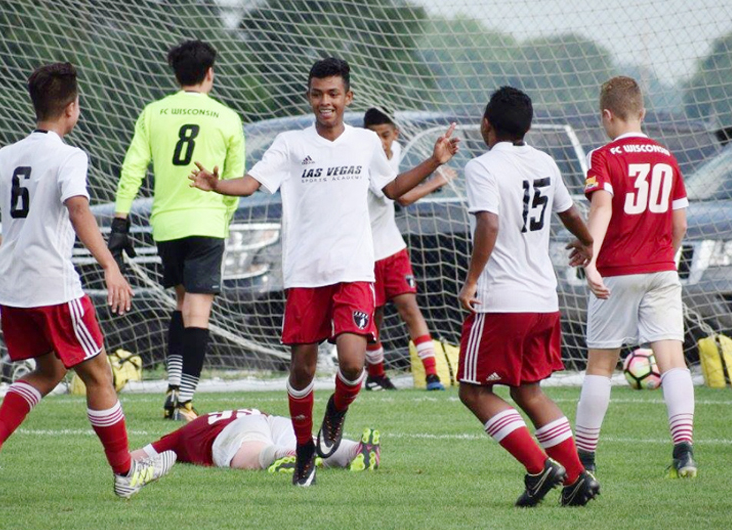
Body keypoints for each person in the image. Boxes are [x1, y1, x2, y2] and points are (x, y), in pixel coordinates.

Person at [188, 57, 459, 486]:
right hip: (304, 274)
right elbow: (253, 183)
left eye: (333, 94)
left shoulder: (366, 143)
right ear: (309, 96)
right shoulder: (291, 143)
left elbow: (390, 190)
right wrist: (217, 184)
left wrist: (432, 160)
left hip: (353, 271)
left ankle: (336, 411)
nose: (325, 102)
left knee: (352, 364)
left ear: (348, 97)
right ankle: (304, 451)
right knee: (302, 370)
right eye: (317, 94)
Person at [0, 63, 175, 502]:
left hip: (15, 291)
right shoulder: (69, 156)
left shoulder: (8, 154)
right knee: (99, 375)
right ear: (72, 108)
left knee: (50, 370)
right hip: (55, 288)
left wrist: (3, 245)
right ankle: (126, 472)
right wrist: (111, 265)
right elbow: (78, 208)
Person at [457, 86, 599, 507]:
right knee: (528, 391)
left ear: (486, 124)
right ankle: (577, 477)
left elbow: (489, 225)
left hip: (503, 300)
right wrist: (588, 241)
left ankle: (540, 470)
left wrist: (471, 281)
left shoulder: (482, 166)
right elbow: (570, 212)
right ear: (529, 127)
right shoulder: (545, 161)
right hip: (543, 300)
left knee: (473, 391)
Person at [108, 40, 245, 422]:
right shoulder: (227, 117)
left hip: (165, 225)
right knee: (198, 312)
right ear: (210, 74)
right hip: (206, 223)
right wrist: (223, 219)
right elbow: (234, 181)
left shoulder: (154, 112)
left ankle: (171, 386)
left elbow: (132, 167)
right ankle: (185, 400)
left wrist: (121, 220)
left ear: (176, 74)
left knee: (182, 305)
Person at [574, 76, 696, 478]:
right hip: (662, 268)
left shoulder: (604, 156)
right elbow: (679, 223)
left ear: (606, 115)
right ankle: (684, 451)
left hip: (617, 272)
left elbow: (602, 209)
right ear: (642, 113)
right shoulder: (667, 157)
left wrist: (591, 259)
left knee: (600, 366)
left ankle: (585, 460)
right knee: (673, 360)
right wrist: (670, 257)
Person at [363, 107, 456, 391]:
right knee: (373, 317)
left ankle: (431, 375)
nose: (381, 142)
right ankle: (377, 375)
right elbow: (400, 197)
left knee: (409, 308)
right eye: (374, 136)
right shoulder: (366, 160)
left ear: (396, 133)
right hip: (366, 252)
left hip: (393, 247)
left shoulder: (398, 150)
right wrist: (436, 181)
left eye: (386, 135)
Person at [129, 408, 381, 473]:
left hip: (235, 430)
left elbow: (136, 457)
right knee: (313, 444)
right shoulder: (220, 415)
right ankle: (356, 450)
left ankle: (284, 456)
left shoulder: (188, 431)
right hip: (267, 419)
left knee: (254, 455)